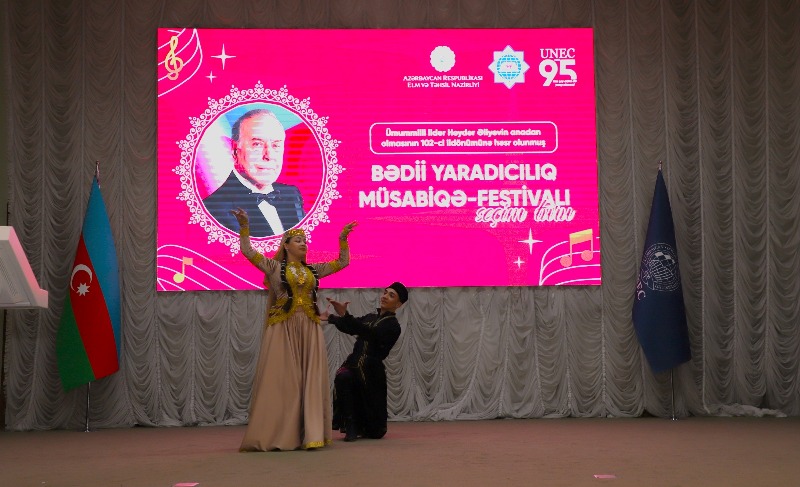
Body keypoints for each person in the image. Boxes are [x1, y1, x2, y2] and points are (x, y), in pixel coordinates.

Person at [233, 207, 357, 451]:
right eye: (298, 241)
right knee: (284, 381)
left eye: (305, 241)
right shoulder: (272, 267)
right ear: (286, 246)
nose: (303, 244)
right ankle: (282, 433)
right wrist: (244, 226)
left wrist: (343, 239)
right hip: (283, 328)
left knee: (309, 380)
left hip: (309, 329)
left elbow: (343, 262)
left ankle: (309, 433)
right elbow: (248, 251)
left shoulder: (313, 270)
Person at [322, 282, 408, 442]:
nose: (385, 296)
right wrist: (331, 318)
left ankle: (367, 426)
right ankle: (351, 426)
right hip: (353, 364)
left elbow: (369, 332)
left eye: (391, 295)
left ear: (398, 304)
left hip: (371, 372)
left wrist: (344, 315)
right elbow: (351, 327)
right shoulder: (370, 317)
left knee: (375, 432)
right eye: (385, 292)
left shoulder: (393, 326)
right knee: (343, 377)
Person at [204, 109, 305, 237]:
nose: (269, 155)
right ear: (235, 150)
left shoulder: (292, 194)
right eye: (257, 144)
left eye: (276, 145)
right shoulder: (212, 210)